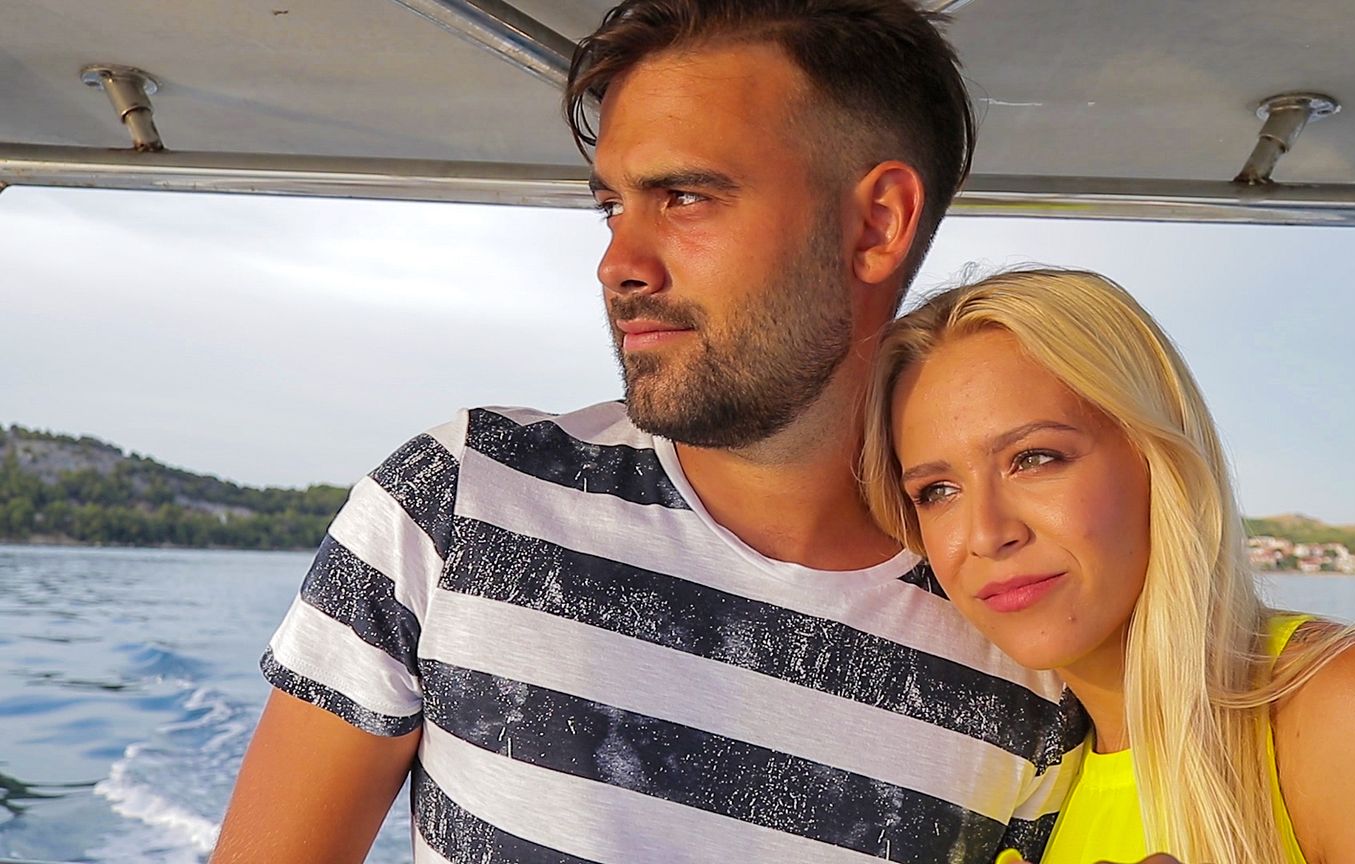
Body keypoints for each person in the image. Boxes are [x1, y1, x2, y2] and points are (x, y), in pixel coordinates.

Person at [209, 3, 1086, 863]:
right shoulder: (455, 501)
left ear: (876, 223)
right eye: (611, 207)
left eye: (685, 197)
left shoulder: (1029, 648)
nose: (617, 264)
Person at [860, 268, 1355, 864]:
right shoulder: (1021, 793)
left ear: (1157, 457)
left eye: (1034, 459)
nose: (985, 534)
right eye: (936, 491)